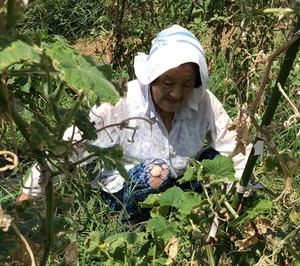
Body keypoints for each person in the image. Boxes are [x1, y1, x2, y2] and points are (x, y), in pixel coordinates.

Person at [18, 25, 249, 223]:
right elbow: (71, 145)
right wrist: (30, 196)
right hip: (127, 189)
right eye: (168, 82)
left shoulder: (204, 102)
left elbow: (234, 146)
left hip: (180, 188)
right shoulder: (121, 101)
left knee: (214, 159)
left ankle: (190, 213)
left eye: (187, 85)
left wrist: (238, 193)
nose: (176, 94)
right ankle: (132, 222)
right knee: (157, 172)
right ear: (153, 75)